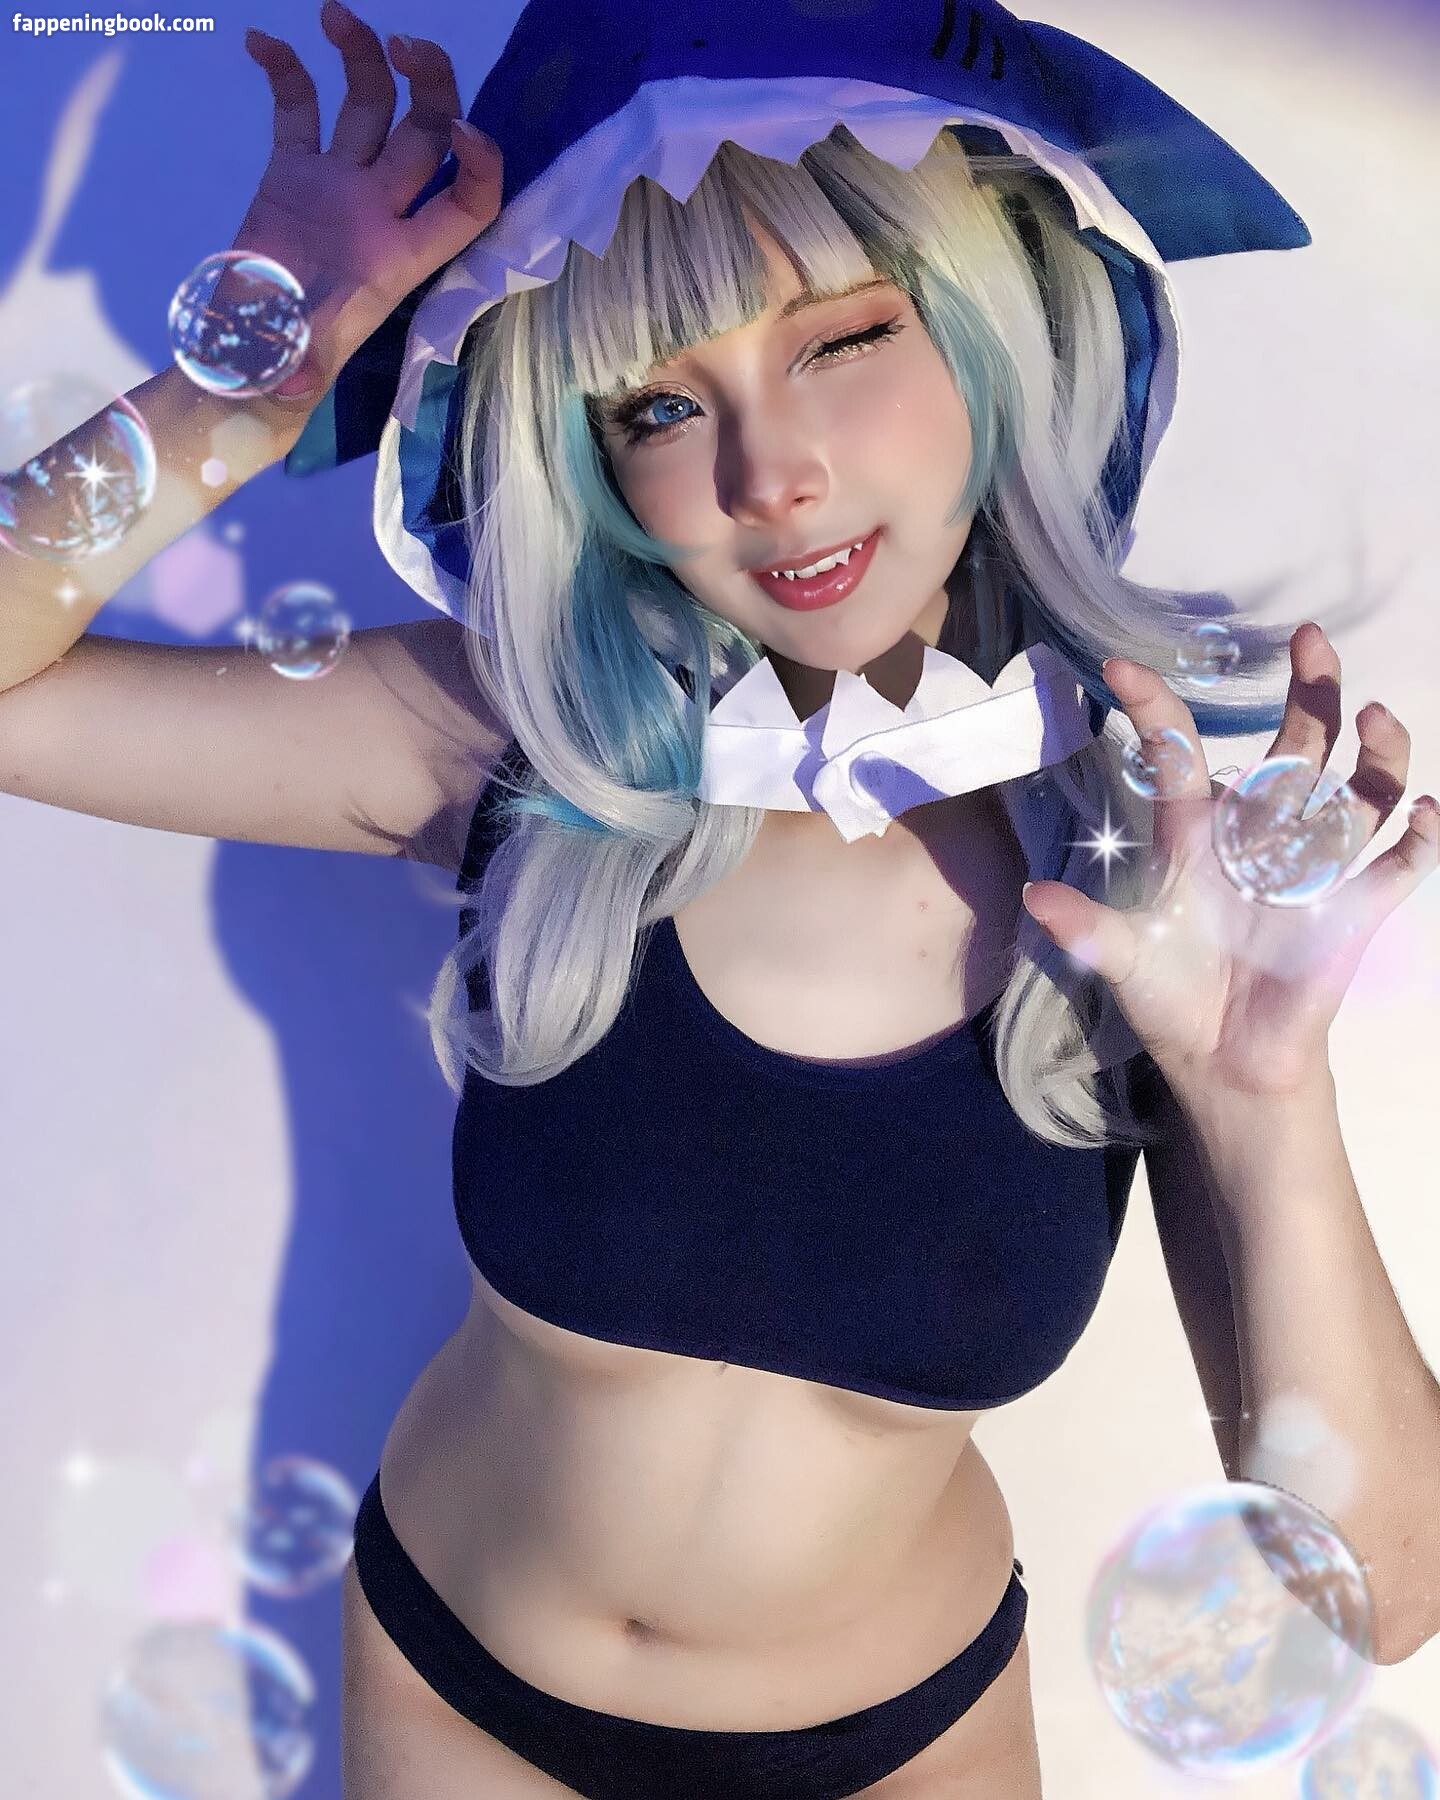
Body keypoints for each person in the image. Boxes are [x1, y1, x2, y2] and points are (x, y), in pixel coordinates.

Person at [3, 0, 1438, 1794]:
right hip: (461, 1702)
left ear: (994, 319)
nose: (772, 477)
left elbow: (1385, 1596)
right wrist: (251, 383)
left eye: (845, 338)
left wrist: (1262, 1097)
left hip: (899, 1748)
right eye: (663, 403)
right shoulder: (525, 743)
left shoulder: (1152, 869)